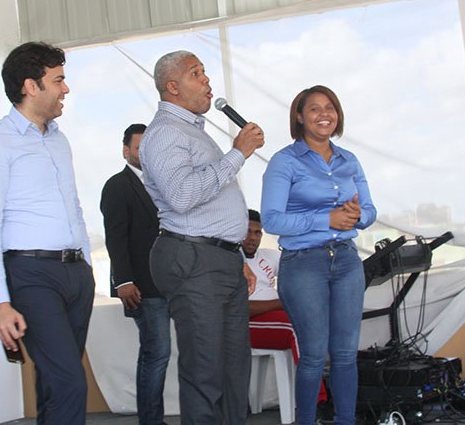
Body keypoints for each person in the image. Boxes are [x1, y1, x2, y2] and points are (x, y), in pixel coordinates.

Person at [0, 42, 95, 425]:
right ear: (30, 86)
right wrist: (0, 303)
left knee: (56, 382)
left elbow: (73, 207)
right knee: (70, 383)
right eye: (58, 80)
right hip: (31, 275)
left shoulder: (59, 139)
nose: (66, 89)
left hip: (75, 274)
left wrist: (86, 267)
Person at [139, 50, 263, 425]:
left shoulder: (192, 131)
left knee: (233, 370)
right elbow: (182, 196)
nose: (207, 80)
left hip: (218, 259)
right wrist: (237, 154)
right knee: (205, 371)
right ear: (173, 87)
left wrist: (234, 257)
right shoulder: (166, 132)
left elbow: (212, 211)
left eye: (205, 72)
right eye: (196, 73)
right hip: (194, 259)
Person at [261, 85, 376, 425]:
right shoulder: (284, 161)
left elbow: (370, 211)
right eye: (314, 108)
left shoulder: (349, 160)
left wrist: (357, 215)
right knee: (313, 354)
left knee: (345, 354)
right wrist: (326, 219)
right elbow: (272, 220)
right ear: (299, 117)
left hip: (346, 260)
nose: (324, 114)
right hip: (303, 263)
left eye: (330, 107)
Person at [100, 123, 170, 425]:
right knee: (157, 352)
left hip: (171, 281)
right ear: (126, 151)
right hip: (142, 285)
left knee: (162, 353)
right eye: (140, 147)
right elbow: (115, 237)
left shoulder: (165, 184)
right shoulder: (117, 185)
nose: (146, 153)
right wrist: (124, 281)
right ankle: (151, 421)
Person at [243, 209, 328, 406]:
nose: (252, 238)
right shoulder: (232, 260)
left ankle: (330, 391)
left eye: (257, 233)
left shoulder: (268, 256)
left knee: (316, 319)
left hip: (276, 316)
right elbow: (240, 309)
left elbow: (301, 271)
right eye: (247, 232)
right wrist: (283, 302)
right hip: (246, 325)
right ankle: (318, 402)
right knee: (296, 327)